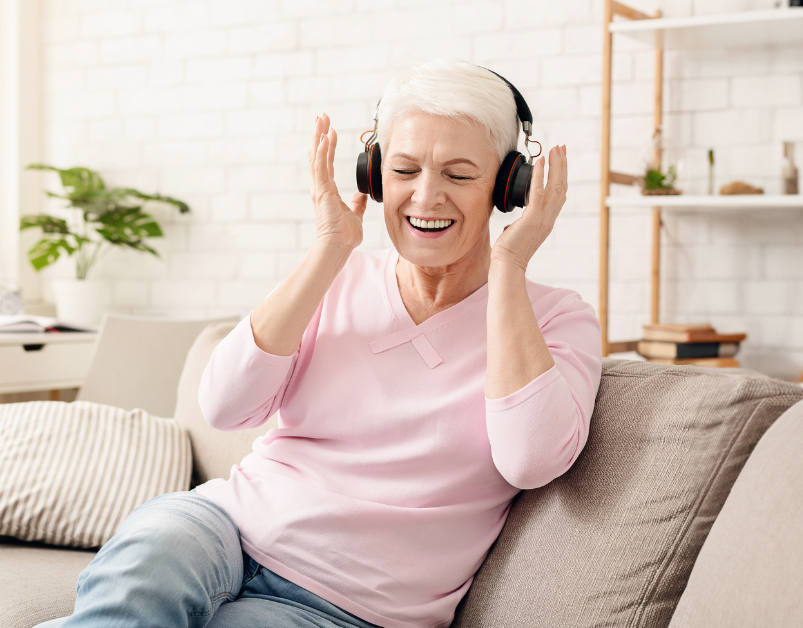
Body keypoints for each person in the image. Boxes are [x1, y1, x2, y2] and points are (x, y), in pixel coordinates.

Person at [37, 59, 602, 628]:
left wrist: (509, 264)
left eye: (459, 175)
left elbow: (530, 460)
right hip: (225, 527)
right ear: (375, 174)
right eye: (404, 170)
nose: (426, 197)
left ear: (510, 186)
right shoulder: (338, 277)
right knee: (138, 572)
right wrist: (332, 247)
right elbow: (224, 407)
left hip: (350, 603)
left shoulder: (555, 318)